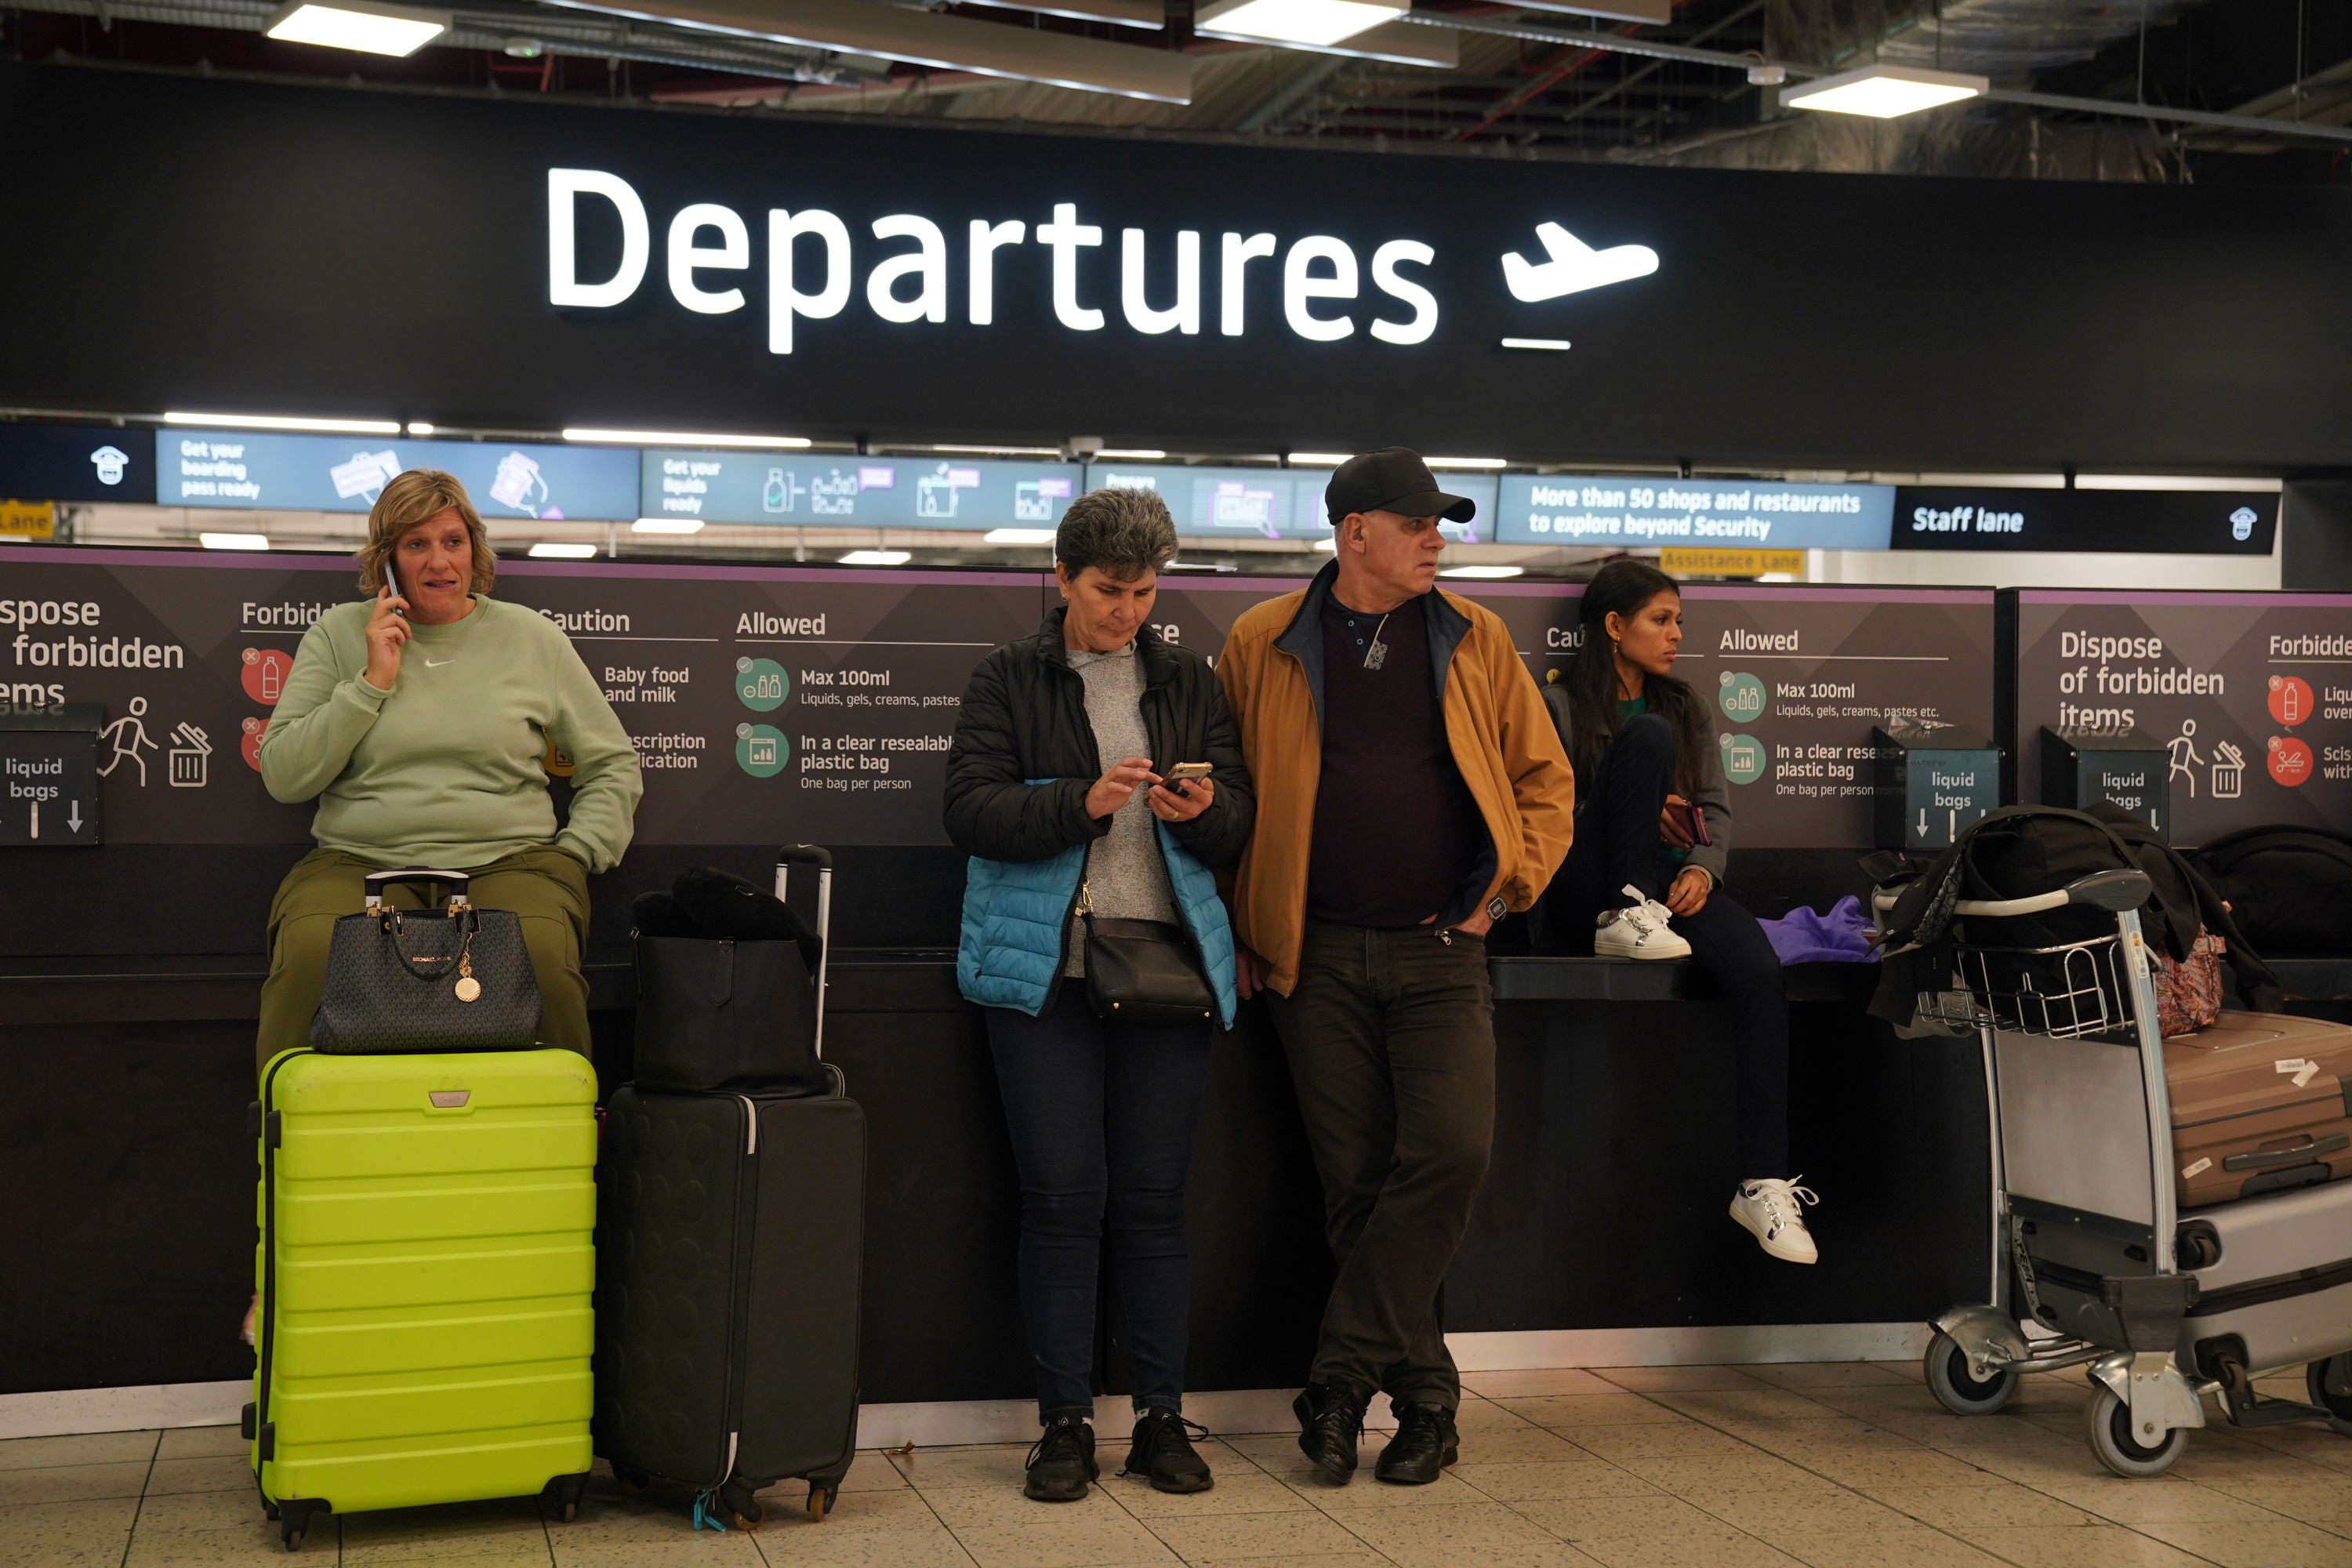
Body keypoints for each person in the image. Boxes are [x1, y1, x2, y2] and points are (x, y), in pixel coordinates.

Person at [1214, 448, 1575, 1487]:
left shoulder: (1475, 637)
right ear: (1353, 530)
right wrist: (1242, 925)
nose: (1437, 539)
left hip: (1440, 952)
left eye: (1442, 525)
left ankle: (1335, 1384)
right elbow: (1234, 802)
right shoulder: (1263, 640)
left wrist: (1506, 891)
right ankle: (1426, 1405)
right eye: (1418, 523)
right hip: (1311, 956)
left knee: (1452, 1155)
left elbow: (1544, 779)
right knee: (1358, 1186)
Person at [943, 487, 1255, 1503]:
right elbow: (970, 810)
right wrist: (1081, 804)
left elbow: (1238, 818)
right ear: (1065, 577)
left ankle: (1162, 1419)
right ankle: (1065, 1424)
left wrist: (1203, 809)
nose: (1130, 610)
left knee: (1158, 1206)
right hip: (1044, 980)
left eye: (1147, 591)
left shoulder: (1186, 680)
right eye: (1112, 590)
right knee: (1063, 1201)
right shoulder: (1008, 675)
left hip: (1164, 969)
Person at [253, 467, 643, 1080]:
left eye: (453, 541)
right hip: (361, 858)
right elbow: (283, 775)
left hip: (509, 860)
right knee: (309, 953)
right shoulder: (337, 636)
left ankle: (566, 1143)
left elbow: (612, 764)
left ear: (474, 550)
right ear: (387, 562)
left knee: (541, 957)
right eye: (416, 545)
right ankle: (284, 1142)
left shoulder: (530, 638)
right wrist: (370, 683)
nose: (440, 561)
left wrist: (574, 855)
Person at [1542, 558, 1818, 1265]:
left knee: (1758, 969)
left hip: (1671, 891)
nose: (1675, 635)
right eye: (1661, 620)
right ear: (1613, 626)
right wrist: (1630, 808)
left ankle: (1761, 1184)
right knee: (1648, 744)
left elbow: (1716, 810)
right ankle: (1623, 915)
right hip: (1588, 888)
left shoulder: (1686, 702)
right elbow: (1542, 812)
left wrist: (1700, 865)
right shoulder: (1561, 704)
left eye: (1678, 621)